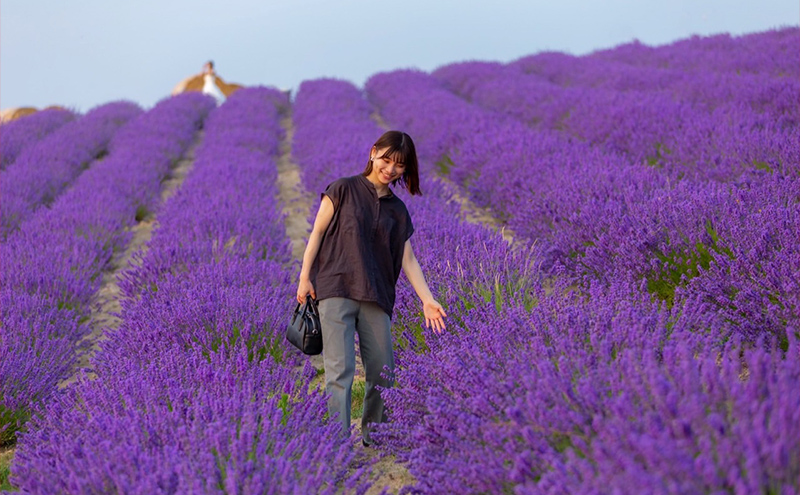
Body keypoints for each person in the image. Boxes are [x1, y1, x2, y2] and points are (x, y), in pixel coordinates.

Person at [296, 130, 447, 446]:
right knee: (340, 372)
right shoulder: (342, 189)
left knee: (384, 371)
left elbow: (409, 260)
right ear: (373, 152)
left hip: (376, 295)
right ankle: (336, 444)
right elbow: (317, 234)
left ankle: (375, 436)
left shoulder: (397, 210)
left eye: (400, 165)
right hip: (335, 288)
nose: (390, 169)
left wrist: (428, 300)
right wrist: (304, 277)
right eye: (387, 159)